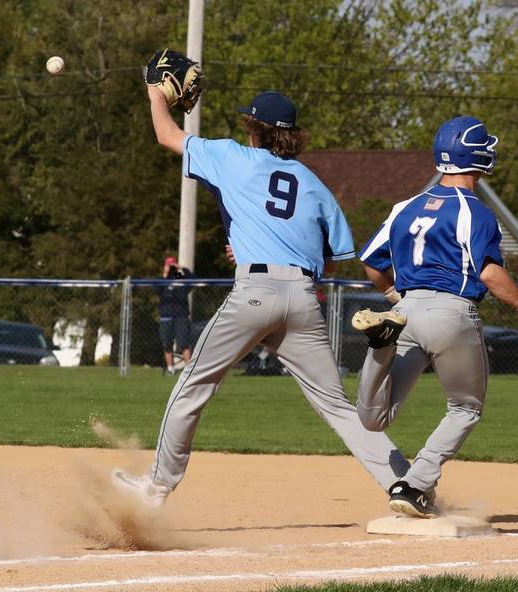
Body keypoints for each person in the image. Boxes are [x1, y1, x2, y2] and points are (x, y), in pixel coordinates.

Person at [112, 88, 410, 508]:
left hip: (254, 294)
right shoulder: (315, 184)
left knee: (194, 384)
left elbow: (167, 135)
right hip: (304, 299)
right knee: (340, 408)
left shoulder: (234, 157)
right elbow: (332, 263)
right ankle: (409, 486)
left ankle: (156, 487)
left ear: (254, 128)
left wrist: (153, 92)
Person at [350, 116, 518, 518]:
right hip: (452, 313)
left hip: (405, 310)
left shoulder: (404, 207)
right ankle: (414, 484)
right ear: (476, 156)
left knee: (374, 418)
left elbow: (370, 261)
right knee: (465, 408)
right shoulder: (475, 212)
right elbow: (488, 272)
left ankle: (381, 347)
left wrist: (395, 296)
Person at [155, 256, 194, 375]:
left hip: (181, 316)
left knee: (183, 343)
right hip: (166, 316)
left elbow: (193, 279)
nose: (171, 267)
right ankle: (170, 368)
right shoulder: (163, 280)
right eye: (169, 265)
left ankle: (189, 371)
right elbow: (157, 289)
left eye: (172, 265)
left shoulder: (180, 278)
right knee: (166, 344)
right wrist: (165, 274)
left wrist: (182, 269)